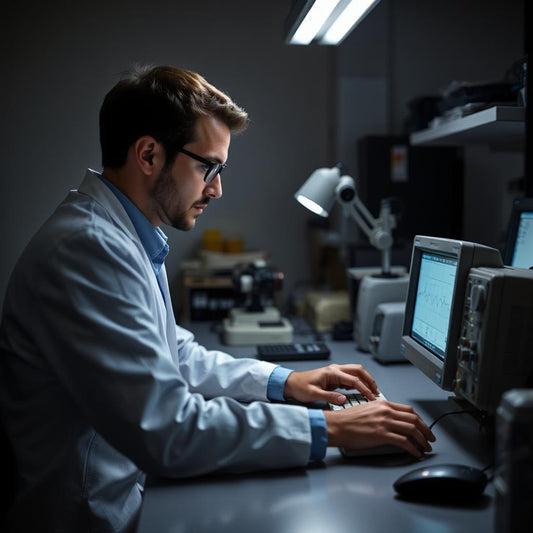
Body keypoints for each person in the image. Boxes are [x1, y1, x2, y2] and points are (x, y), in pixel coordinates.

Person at [0, 65, 435, 533]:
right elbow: (167, 429)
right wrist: (332, 429)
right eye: (209, 167)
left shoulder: (122, 232)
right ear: (148, 154)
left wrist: (287, 382)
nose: (217, 188)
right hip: (89, 519)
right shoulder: (89, 249)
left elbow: (174, 353)